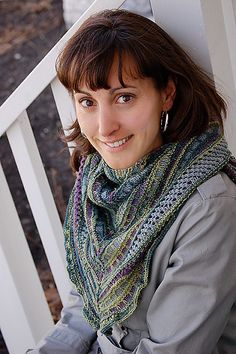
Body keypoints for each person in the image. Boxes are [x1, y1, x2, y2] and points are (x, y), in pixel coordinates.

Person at [28, 9, 236, 354]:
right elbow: (86, 306)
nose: (104, 126)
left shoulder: (208, 208)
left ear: (166, 95)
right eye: (87, 102)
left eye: (124, 97)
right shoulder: (96, 183)